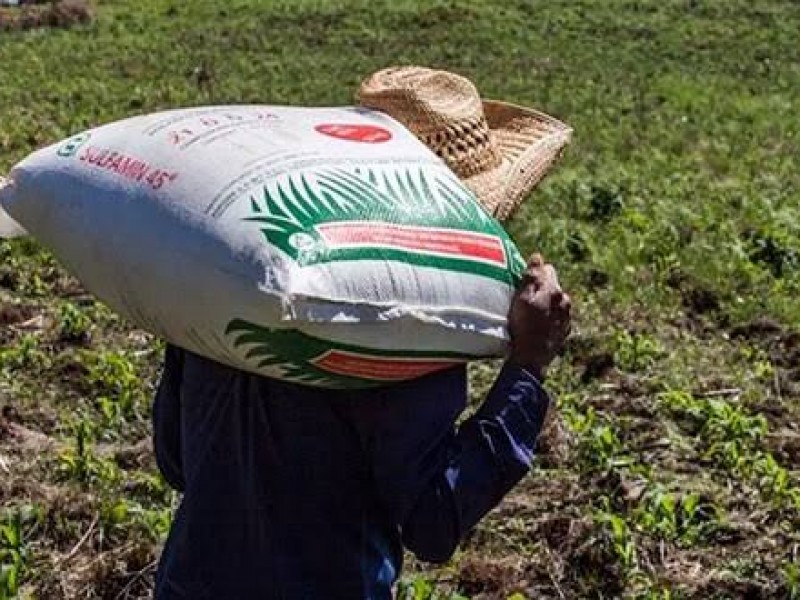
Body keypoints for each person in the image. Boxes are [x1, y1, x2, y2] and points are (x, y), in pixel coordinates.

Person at [151, 67, 572, 599]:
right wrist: (528, 366)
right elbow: (434, 518)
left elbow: (175, 457)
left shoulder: (227, 273)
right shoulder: (409, 321)